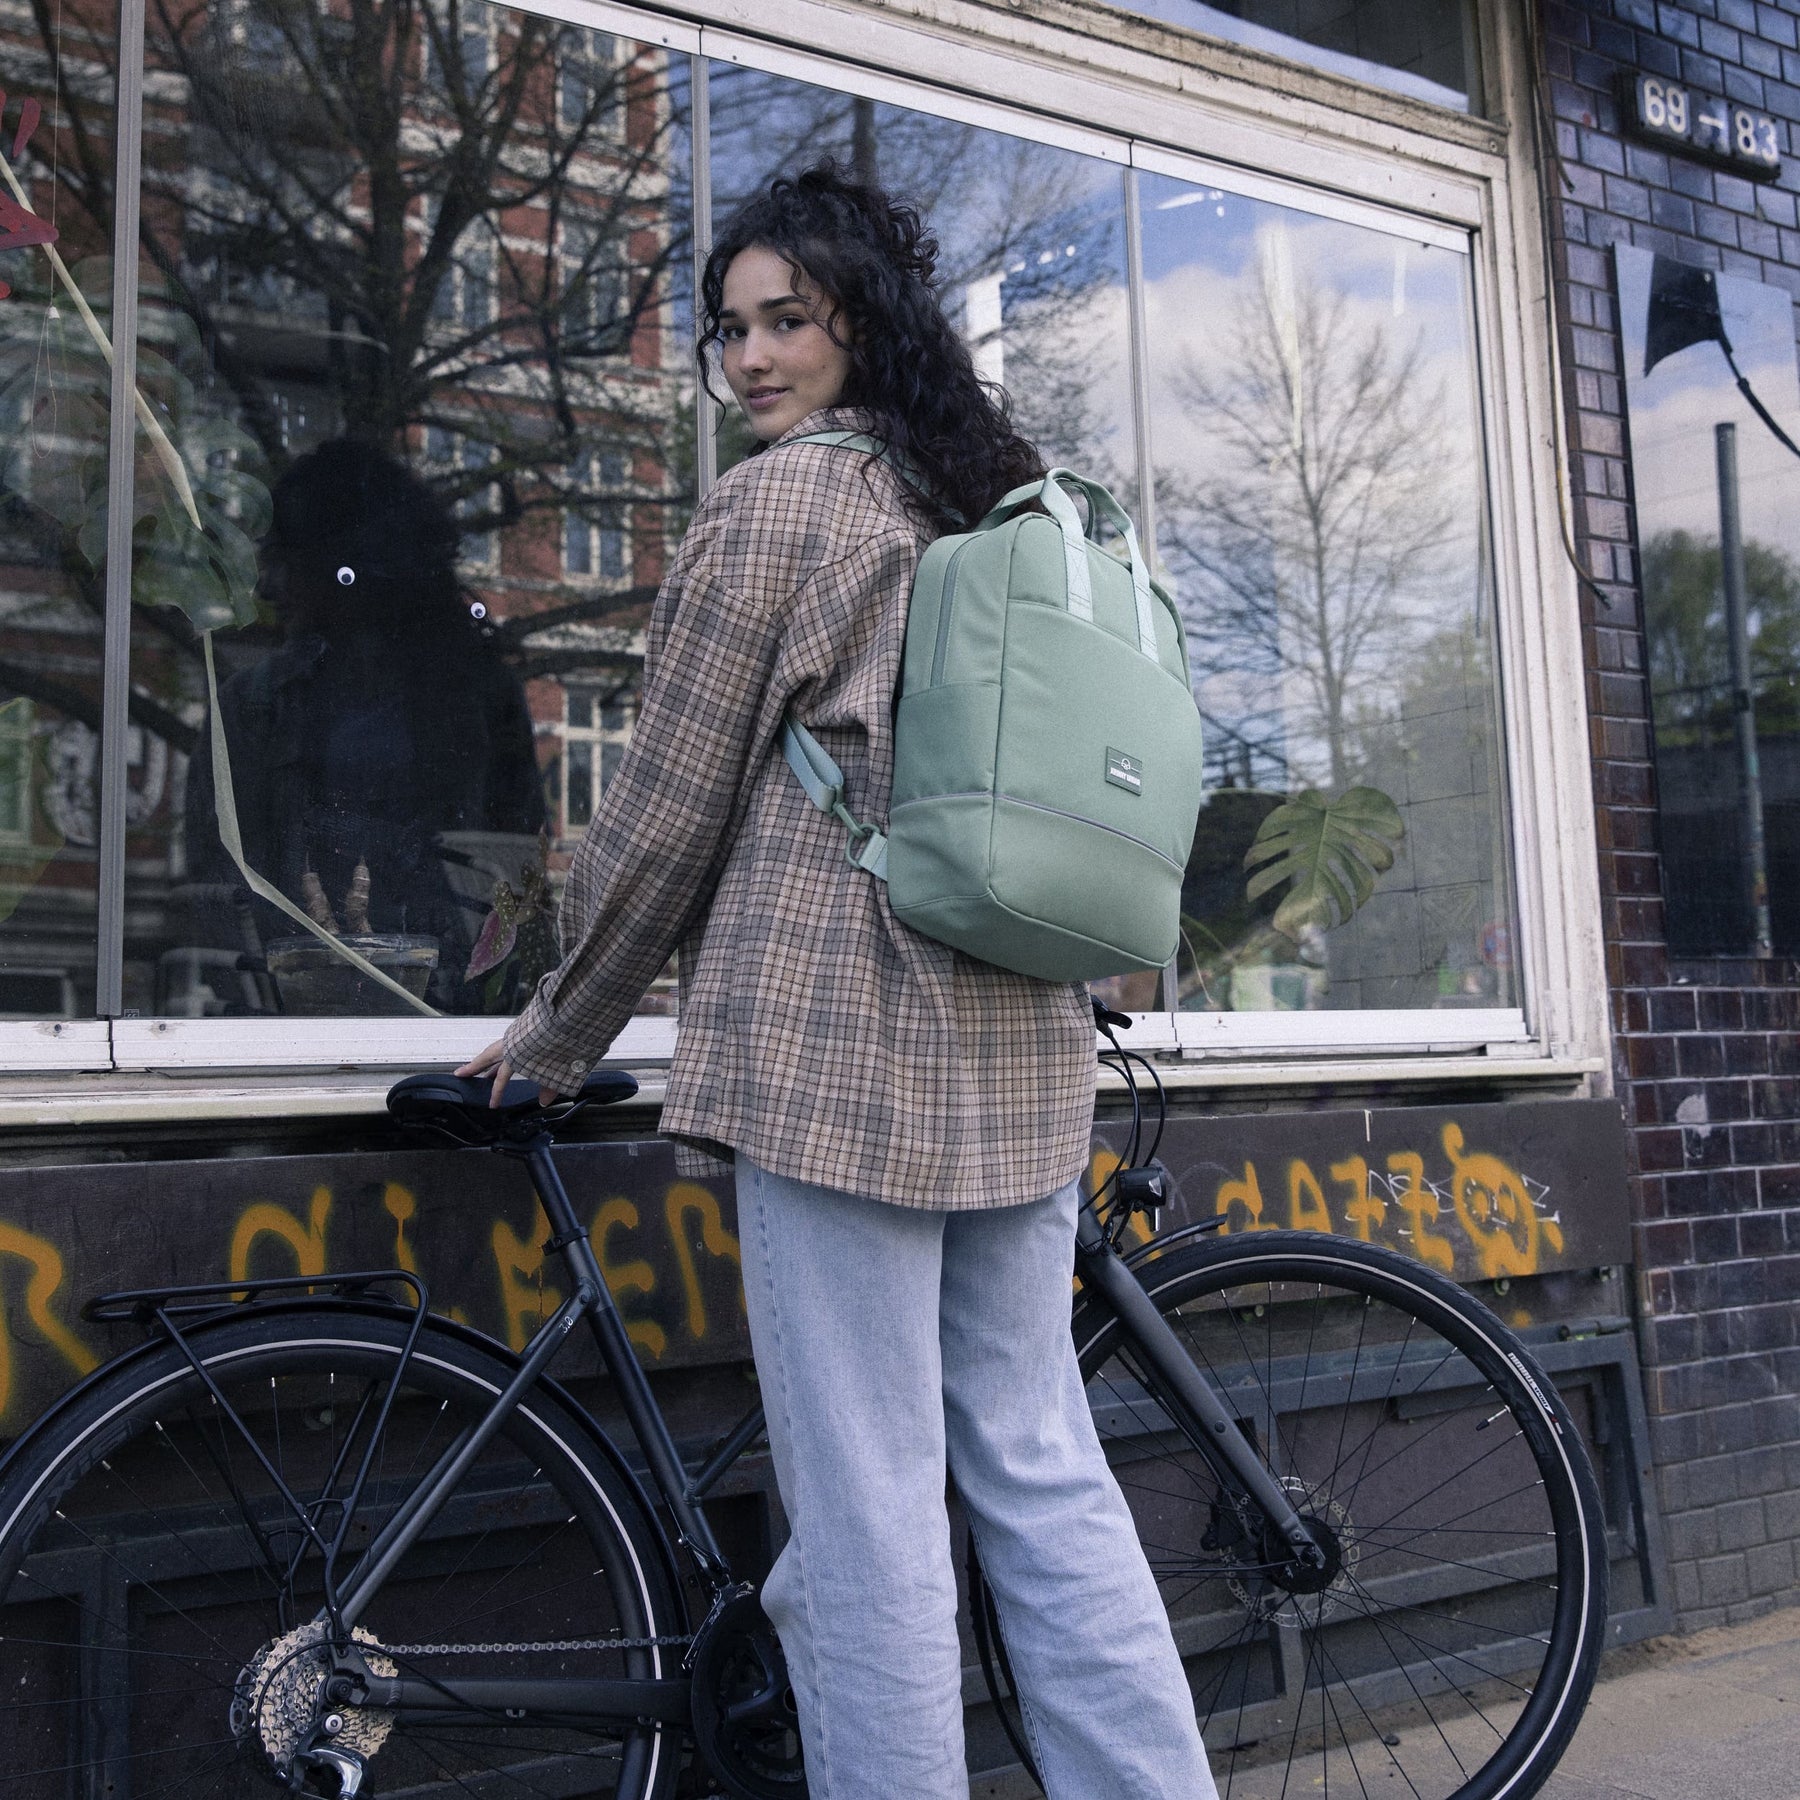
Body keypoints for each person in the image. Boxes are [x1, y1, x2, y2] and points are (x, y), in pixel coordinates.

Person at [458, 164, 1216, 1799]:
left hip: (835, 1056)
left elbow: (663, 813)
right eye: (728, 325)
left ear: (857, 320)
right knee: (1042, 1474)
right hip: (1018, 1051)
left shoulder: (781, 504)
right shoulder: (994, 500)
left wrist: (561, 1025)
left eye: (782, 318)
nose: (746, 355)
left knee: (867, 1511)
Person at [186, 440, 544, 1006]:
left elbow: (516, 882)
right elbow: (217, 906)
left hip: (458, 1030)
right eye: (270, 560)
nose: (267, 589)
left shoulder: (483, 702)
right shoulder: (250, 707)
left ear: (361, 565)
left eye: (289, 560)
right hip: (291, 1027)